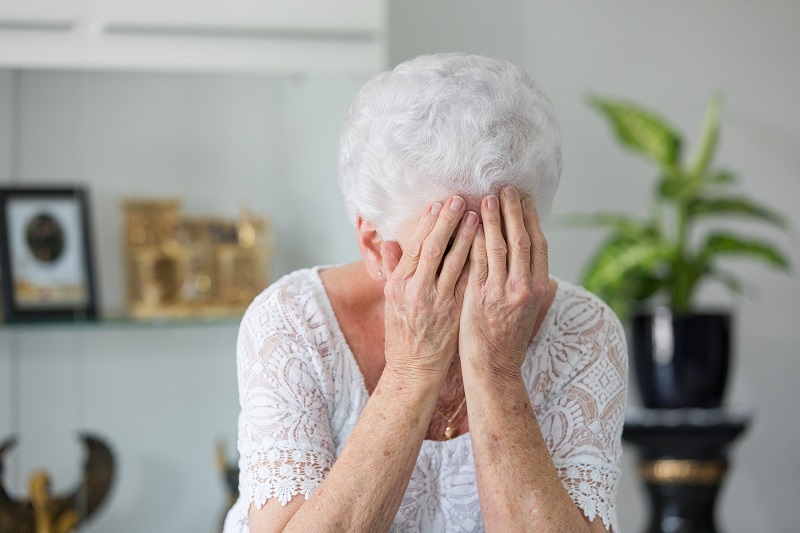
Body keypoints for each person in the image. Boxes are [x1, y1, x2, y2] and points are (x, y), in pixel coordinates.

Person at [223, 53, 628, 533]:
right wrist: (413, 369)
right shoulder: (291, 322)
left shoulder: (585, 331)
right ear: (374, 244)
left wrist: (496, 371)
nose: (479, 288)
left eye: (498, 252)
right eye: (444, 256)